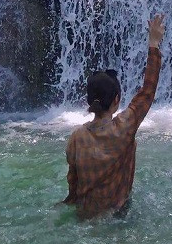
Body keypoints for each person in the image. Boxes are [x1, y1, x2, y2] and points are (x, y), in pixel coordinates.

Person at [63, 14, 165, 218]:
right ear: (117, 99)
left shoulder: (76, 137)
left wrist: (69, 202)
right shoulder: (124, 127)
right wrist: (153, 43)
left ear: (89, 101)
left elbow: (72, 182)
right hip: (117, 217)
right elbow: (148, 91)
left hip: (84, 216)